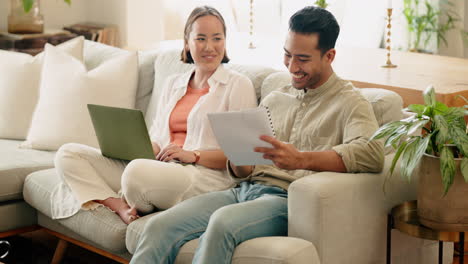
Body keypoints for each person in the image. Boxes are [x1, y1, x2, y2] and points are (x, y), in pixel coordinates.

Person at [129, 6, 385, 264]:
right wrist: (240, 161)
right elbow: (244, 170)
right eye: (287, 55)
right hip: (242, 191)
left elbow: (371, 154)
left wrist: (302, 160)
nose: (292, 66)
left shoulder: (350, 102)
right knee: (158, 227)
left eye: (303, 59)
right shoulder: (276, 98)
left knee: (222, 223)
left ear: (329, 56)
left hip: (286, 201)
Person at [50, 6, 257, 224]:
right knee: (68, 154)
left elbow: (244, 160)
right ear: (187, 42)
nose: (210, 47)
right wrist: (132, 146)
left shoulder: (238, 85)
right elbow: (158, 139)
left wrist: (193, 154)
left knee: (136, 172)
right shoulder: (173, 84)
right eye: (201, 39)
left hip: (201, 176)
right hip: (158, 168)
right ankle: (119, 205)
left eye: (217, 38)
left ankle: (137, 193)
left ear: (225, 42)